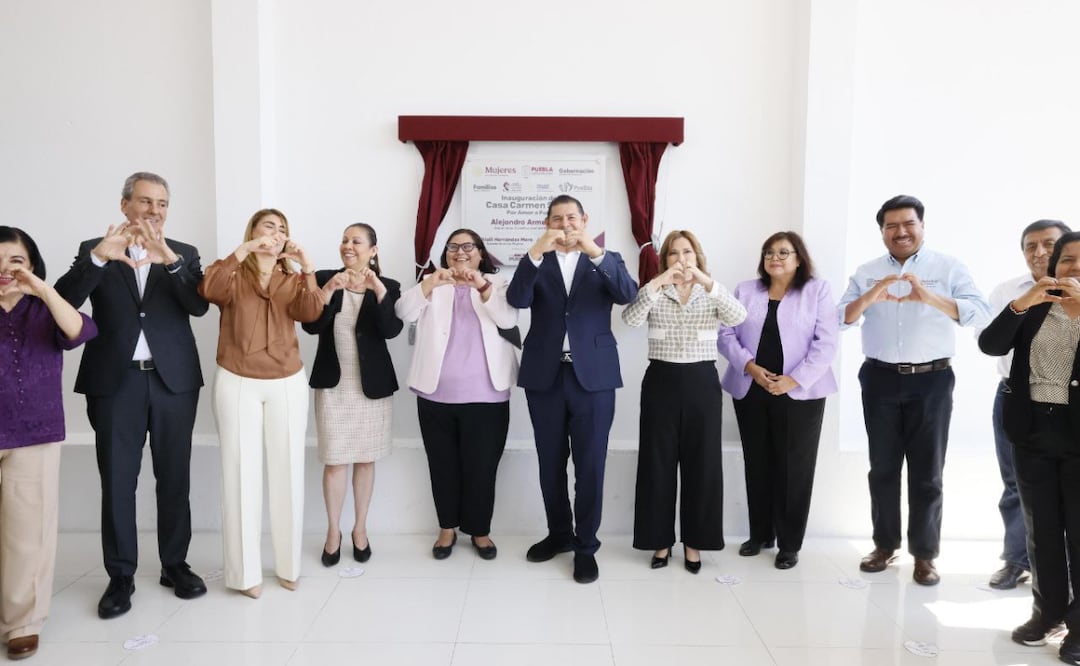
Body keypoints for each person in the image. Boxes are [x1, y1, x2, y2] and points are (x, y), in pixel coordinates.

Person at [55, 172, 209, 619]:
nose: (154, 210)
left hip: (173, 381)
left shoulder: (184, 253)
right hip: (114, 382)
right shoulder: (94, 249)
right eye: (145, 201)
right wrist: (101, 259)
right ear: (124, 205)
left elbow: (197, 306)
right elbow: (63, 301)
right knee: (118, 480)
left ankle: (174, 565)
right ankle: (120, 575)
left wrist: (170, 260)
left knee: (174, 476)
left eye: (162, 203)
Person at [838, 195, 991, 585]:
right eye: (891, 226)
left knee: (928, 473)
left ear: (921, 226)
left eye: (908, 224)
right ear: (882, 232)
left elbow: (979, 313)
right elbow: (840, 319)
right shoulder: (867, 270)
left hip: (932, 380)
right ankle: (885, 546)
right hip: (880, 377)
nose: (901, 232)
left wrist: (929, 297)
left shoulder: (948, 266)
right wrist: (872, 294)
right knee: (883, 469)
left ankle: (924, 555)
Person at [506, 194, 638, 584]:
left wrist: (593, 251)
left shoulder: (606, 258)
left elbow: (628, 294)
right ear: (547, 223)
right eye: (557, 219)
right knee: (550, 462)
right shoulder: (536, 260)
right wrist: (534, 252)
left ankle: (586, 546)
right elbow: (517, 300)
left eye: (572, 218)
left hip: (594, 378)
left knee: (591, 464)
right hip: (545, 376)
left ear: (584, 220)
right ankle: (559, 534)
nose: (565, 224)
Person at [198, 208, 325, 598]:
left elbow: (310, 313)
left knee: (288, 472)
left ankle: (288, 567)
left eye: (283, 227)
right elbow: (209, 291)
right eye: (268, 226)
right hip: (238, 379)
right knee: (240, 473)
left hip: (287, 380)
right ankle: (244, 574)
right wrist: (243, 250)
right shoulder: (233, 272)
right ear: (253, 232)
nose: (276, 232)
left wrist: (307, 267)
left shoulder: (292, 276)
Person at [978, 230, 1080, 664]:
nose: (1072, 266)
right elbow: (990, 344)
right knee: (1041, 534)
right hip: (1032, 431)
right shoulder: (1034, 305)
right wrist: (1022, 304)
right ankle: (1046, 613)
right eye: (1066, 259)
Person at [622, 230, 746, 573]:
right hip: (661, 381)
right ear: (664, 259)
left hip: (702, 382)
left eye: (687, 252)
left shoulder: (711, 292)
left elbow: (739, 317)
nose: (681, 258)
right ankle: (659, 542)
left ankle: (695, 544)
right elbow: (629, 319)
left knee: (702, 465)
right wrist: (658, 281)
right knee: (657, 463)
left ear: (698, 256)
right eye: (674, 253)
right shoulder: (656, 292)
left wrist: (707, 281)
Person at [0, 227, 96, 660]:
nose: (4, 270)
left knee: (28, 534)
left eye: (15, 261)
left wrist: (40, 288)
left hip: (34, 431)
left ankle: (22, 622)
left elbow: (79, 331)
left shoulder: (45, 308)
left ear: (32, 265)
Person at [718, 231, 838, 570]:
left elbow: (826, 343)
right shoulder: (745, 290)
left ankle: (789, 543)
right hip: (751, 385)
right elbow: (725, 334)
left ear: (799, 258)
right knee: (757, 461)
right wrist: (751, 367)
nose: (776, 258)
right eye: (769, 252)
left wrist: (793, 379)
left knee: (793, 468)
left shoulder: (817, 290)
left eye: (784, 252)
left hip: (800, 391)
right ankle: (760, 534)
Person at [397, 229, 519, 560]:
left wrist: (480, 285)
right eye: (453, 247)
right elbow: (402, 312)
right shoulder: (433, 286)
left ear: (481, 254)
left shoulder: (500, 286)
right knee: (442, 465)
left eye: (468, 247)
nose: (460, 252)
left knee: (482, 468)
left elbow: (508, 317)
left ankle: (480, 531)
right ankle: (447, 528)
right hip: (436, 396)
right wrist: (429, 284)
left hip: (487, 397)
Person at [303, 223, 402, 566]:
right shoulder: (323, 277)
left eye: (356, 241)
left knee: (365, 459)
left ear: (372, 250)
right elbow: (311, 324)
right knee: (334, 461)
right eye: (344, 239)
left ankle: (360, 529)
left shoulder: (388, 286)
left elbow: (391, 330)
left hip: (371, 386)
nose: (348, 245)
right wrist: (330, 288)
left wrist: (378, 290)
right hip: (334, 384)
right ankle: (333, 532)